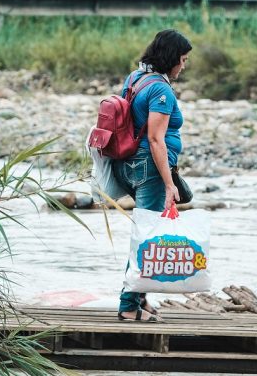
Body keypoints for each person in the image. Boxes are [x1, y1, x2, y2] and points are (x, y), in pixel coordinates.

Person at [114, 29, 192, 323]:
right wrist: (170, 184)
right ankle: (129, 306)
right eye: (182, 60)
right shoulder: (161, 90)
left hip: (131, 164)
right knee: (145, 237)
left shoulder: (135, 78)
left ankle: (142, 299)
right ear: (171, 58)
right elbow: (156, 139)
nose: (183, 66)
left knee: (146, 231)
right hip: (150, 169)